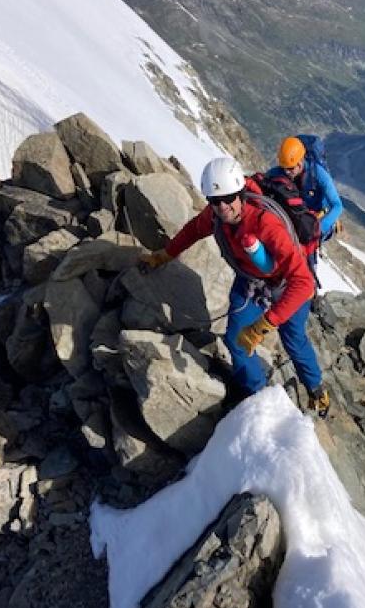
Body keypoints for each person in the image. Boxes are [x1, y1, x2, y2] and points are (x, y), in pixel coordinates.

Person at [138, 157, 331, 417]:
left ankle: (316, 389)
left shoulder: (266, 224)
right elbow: (194, 230)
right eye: (215, 201)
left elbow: (303, 282)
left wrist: (266, 323)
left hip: (288, 286)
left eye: (228, 198)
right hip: (252, 283)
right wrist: (164, 255)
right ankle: (258, 398)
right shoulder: (216, 216)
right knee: (235, 339)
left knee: (293, 341)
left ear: (240, 194)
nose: (223, 206)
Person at [268, 136, 343, 276]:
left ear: (300, 162)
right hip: (298, 218)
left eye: (290, 168)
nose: (287, 172)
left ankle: (309, 279)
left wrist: (320, 228)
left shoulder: (318, 174)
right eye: (284, 168)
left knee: (307, 252)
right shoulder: (279, 172)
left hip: (316, 220)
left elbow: (337, 205)